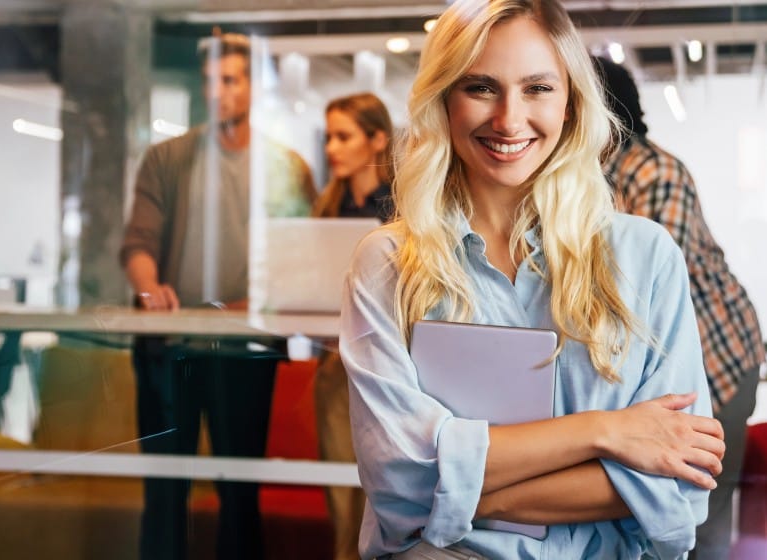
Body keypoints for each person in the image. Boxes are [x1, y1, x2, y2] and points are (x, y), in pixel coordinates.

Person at [338, 1, 726, 559]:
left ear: (570, 102)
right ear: (443, 100)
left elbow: (679, 485)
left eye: (538, 88)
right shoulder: (388, 263)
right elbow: (398, 476)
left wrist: (455, 492)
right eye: (480, 87)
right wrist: (605, 432)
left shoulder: (645, 256)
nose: (509, 119)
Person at [119, 32, 316, 560]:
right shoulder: (167, 157)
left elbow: (300, 264)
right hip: (169, 351)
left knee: (239, 495)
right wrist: (149, 288)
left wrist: (254, 305)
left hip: (244, 352)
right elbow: (138, 245)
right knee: (164, 495)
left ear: (253, 88)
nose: (216, 92)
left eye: (229, 81)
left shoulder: (287, 167)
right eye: (209, 81)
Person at [594, 54, 765, 560]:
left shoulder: (654, 171)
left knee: (699, 508)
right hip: (661, 369)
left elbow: (642, 289)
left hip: (718, 361)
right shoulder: (591, 175)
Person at [312, 92, 395, 560]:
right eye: (329, 138)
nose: (332, 148)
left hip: (389, 371)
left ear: (377, 139)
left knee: (383, 493)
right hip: (333, 368)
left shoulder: (402, 210)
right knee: (339, 500)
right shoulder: (326, 207)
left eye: (343, 137)